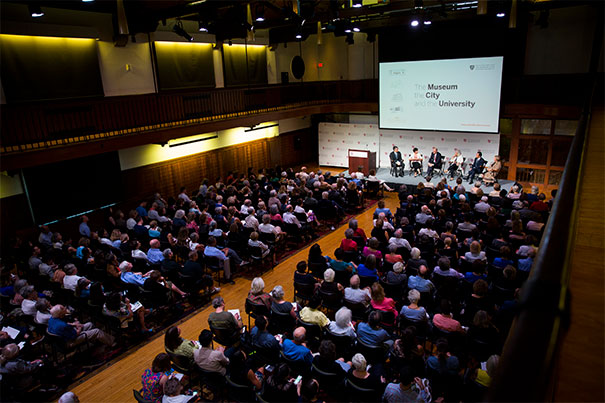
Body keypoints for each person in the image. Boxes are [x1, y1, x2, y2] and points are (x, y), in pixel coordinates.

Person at [48, 304, 115, 347]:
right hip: (70, 341)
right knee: (96, 331)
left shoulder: (52, 319)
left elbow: (66, 325)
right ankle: (113, 343)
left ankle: (97, 341)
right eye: (64, 309)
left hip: (66, 336)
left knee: (90, 324)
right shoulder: (62, 325)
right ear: (60, 314)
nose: (66, 309)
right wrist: (78, 326)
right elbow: (75, 335)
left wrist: (74, 324)